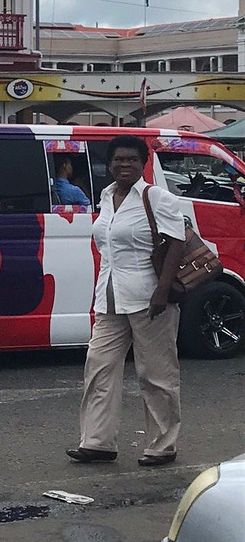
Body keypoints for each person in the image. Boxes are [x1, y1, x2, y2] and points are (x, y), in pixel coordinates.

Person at [67, 134, 186, 467]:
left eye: (131, 159)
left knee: (156, 374)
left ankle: (162, 445)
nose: (124, 164)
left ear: (142, 163)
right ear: (109, 163)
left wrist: (162, 291)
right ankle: (97, 442)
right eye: (118, 159)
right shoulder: (106, 197)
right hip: (109, 298)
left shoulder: (155, 197)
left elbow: (176, 242)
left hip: (149, 299)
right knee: (99, 369)